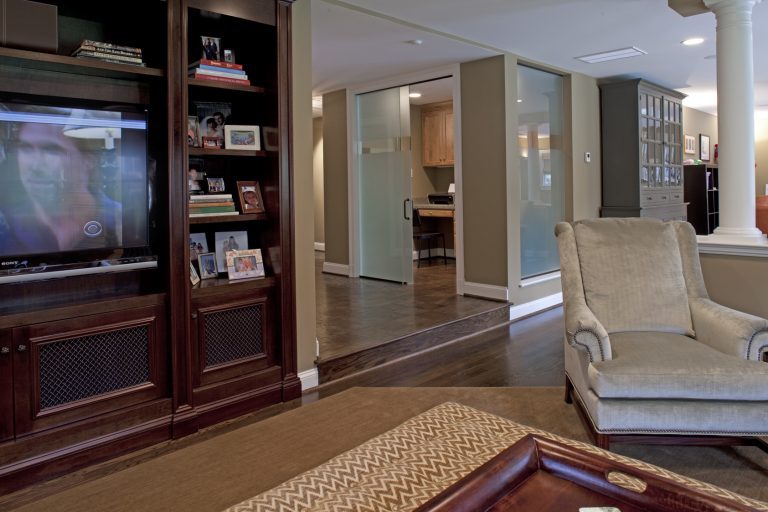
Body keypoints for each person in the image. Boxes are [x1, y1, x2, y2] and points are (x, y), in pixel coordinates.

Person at [0, 115, 120, 255]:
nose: (35, 165)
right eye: (26, 148)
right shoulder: (5, 225)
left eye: (52, 150)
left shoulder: (121, 220)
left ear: (88, 161)